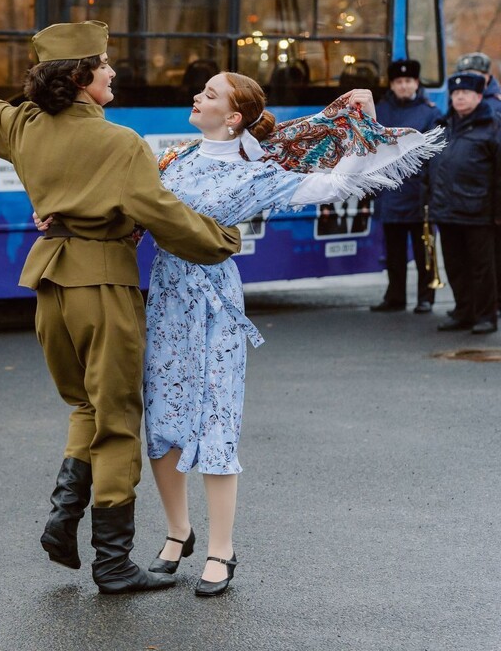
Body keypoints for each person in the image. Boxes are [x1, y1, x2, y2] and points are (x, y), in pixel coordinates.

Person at [40, 74, 441, 596]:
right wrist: (62, 215)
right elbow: (123, 208)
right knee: (161, 425)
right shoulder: (174, 160)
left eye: (208, 94)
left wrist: (363, 126)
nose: (196, 97)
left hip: (216, 308)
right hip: (163, 300)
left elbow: (333, 184)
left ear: (232, 117)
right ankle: (177, 532)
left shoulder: (259, 172)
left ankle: (221, 550)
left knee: (215, 424)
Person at [0, 21, 242, 595]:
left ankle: (62, 519)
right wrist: (223, 240)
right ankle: (112, 562)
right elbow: (165, 216)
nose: (111, 71)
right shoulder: (119, 142)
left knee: (84, 405)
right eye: (102, 64)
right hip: (102, 287)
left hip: (49, 284)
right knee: (119, 419)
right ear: (80, 77)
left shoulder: (23, 126)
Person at [429, 71, 501, 334]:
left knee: (482, 268)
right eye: (456, 94)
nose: (460, 98)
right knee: (455, 266)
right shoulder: (444, 125)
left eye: (466, 94)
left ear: (479, 97)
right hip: (447, 210)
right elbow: (432, 168)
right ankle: (463, 311)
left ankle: (485, 316)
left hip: (478, 211)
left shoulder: (492, 127)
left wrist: (497, 212)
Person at [370, 59, 443, 313]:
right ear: (392, 84)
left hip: (418, 191)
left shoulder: (430, 112)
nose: (404, 86)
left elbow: (434, 155)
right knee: (393, 250)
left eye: (408, 81)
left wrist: (430, 188)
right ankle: (395, 296)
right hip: (390, 190)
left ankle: (426, 297)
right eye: (399, 82)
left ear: (416, 83)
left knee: (424, 248)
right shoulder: (380, 110)